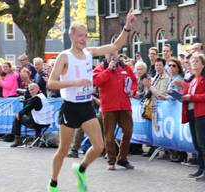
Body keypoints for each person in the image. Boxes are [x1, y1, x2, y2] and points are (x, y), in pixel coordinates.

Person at [47, 9, 135, 192]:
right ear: (71, 36)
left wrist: (127, 26)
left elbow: (114, 46)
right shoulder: (64, 56)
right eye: (80, 36)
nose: (83, 39)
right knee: (63, 150)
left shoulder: (89, 52)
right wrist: (75, 82)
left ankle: (81, 169)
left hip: (86, 107)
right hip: (70, 108)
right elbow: (51, 83)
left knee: (99, 146)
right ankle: (53, 182)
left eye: (85, 36)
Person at [93, 51, 137, 170]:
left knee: (128, 131)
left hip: (124, 105)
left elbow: (133, 81)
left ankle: (122, 158)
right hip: (109, 106)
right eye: (109, 53)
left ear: (118, 54)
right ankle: (111, 160)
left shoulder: (126, 67)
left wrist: (132, 90)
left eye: (114, 53)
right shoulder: (101, 68)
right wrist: (108, 70)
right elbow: (97, 82)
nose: (112, 55)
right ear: (105, 55)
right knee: (109, 135)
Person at [176, 54, 205, 181]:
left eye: (197, 61)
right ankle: (201, 168)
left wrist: (191, 97)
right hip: (192, 113)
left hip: (202, 113)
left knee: (203, 143)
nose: (193, 63)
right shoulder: (193, 79)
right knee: (197, 143)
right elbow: (188, 93)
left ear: (203, 64)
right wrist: (182, 93)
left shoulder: (203, 78)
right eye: (192, 61)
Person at [10, 83, 53, 147]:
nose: (31, 92)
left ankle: (18, 140)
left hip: (38, 123)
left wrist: (19, 113)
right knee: (35, 116)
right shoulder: (43, 96)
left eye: (32, 89)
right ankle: (37, 140)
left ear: (38, 89)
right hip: (47, 123)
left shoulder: (35, 99)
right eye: (30, 90)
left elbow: (25, 110)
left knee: (17, 116)